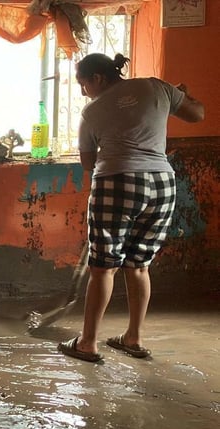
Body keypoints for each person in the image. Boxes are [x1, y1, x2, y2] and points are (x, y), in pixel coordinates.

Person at [57, 53, 205, 362]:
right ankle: (133, 339)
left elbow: (88, 162)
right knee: (139, 266)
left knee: (103, 268)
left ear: (97, 78)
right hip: (162, 183)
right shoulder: (157, 87)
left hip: (116, 182)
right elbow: (197, 114)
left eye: (83, 83)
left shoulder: (92, 111)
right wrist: (181, 94)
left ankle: (87, 343)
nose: (83, 91)